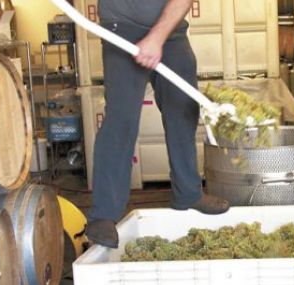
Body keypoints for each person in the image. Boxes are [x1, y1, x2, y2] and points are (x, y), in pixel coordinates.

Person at [85, 0, 230, 249]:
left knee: (183, 108)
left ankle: (188, 193)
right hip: (122, 28)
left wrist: (157, 37)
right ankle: (104, 214)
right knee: (121, 118)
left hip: (170, 29)